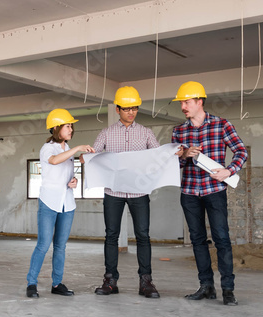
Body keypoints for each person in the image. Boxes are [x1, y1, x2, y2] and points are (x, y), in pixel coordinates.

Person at [171, 81, 248, 306]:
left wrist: (228, 171)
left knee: (222, 239)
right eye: (182, 103)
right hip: (189, 192)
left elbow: (241, 151)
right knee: (197, 240)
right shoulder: (179, 131)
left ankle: (228, 289)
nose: (183, 106)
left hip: (214, 190)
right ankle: (206, 286)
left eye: (187, 102)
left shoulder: (221, 125)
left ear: (199, 102)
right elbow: (173, 165)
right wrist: (183, 155)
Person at [89, 86, 161, 298]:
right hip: (114, 192)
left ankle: (146, 281)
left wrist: (170, 153)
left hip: (139, 192)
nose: (131, 112)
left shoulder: (146, 133)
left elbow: (157, 157)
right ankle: (110, 280)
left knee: (143, 235)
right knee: (111, 235)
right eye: (127, 108)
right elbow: (95, 158)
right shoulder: (106, 133)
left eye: (135, 108)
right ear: (118, 109)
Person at [26, 108, 94, 299]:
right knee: (43, 244)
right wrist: (77, 148)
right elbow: (55, 161)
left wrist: (74, 181)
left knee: (60, 246)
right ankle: (31, 283)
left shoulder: (67, 150)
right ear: (56, 128)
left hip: (67, 203)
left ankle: (57, 283)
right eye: (67, 126)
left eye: (71, 126)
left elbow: (67, 174)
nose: (71, 129)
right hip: (49, 202)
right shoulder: (48, 148)